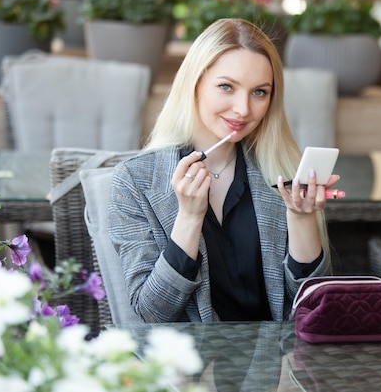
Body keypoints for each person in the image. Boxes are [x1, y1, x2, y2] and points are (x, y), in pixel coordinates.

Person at [107, 18, 340, 323]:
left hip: (273, 365)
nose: (243, 109)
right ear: (195, 83)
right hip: (189, 365)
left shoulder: (280, 172)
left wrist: (300, 218)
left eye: (259, 92)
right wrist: (189, 217)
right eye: (226, 87)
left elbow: (313, 307)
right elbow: (153, 311)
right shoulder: (135, 181)